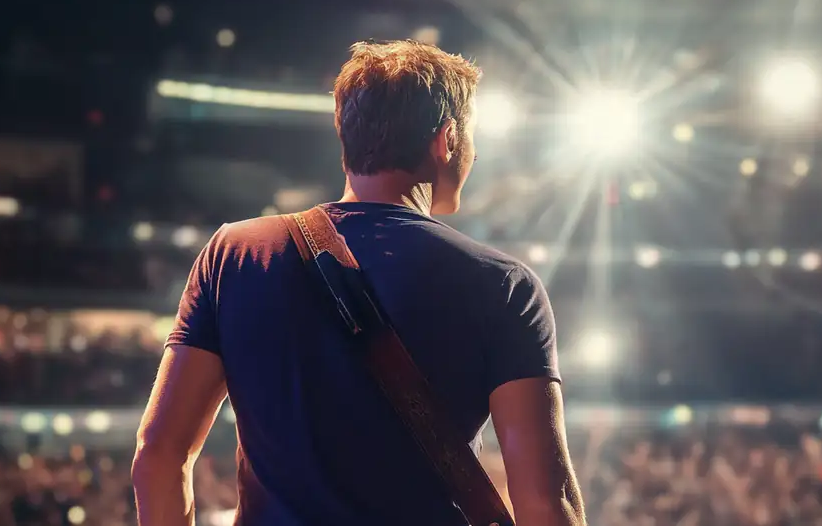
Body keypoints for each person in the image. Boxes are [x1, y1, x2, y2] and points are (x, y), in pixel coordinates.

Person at [132, 40, 586, 526]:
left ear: (344, 134)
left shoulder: (235, 254)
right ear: (448, 139)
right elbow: (544, 503)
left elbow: (159, 454)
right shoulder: (504, 286)